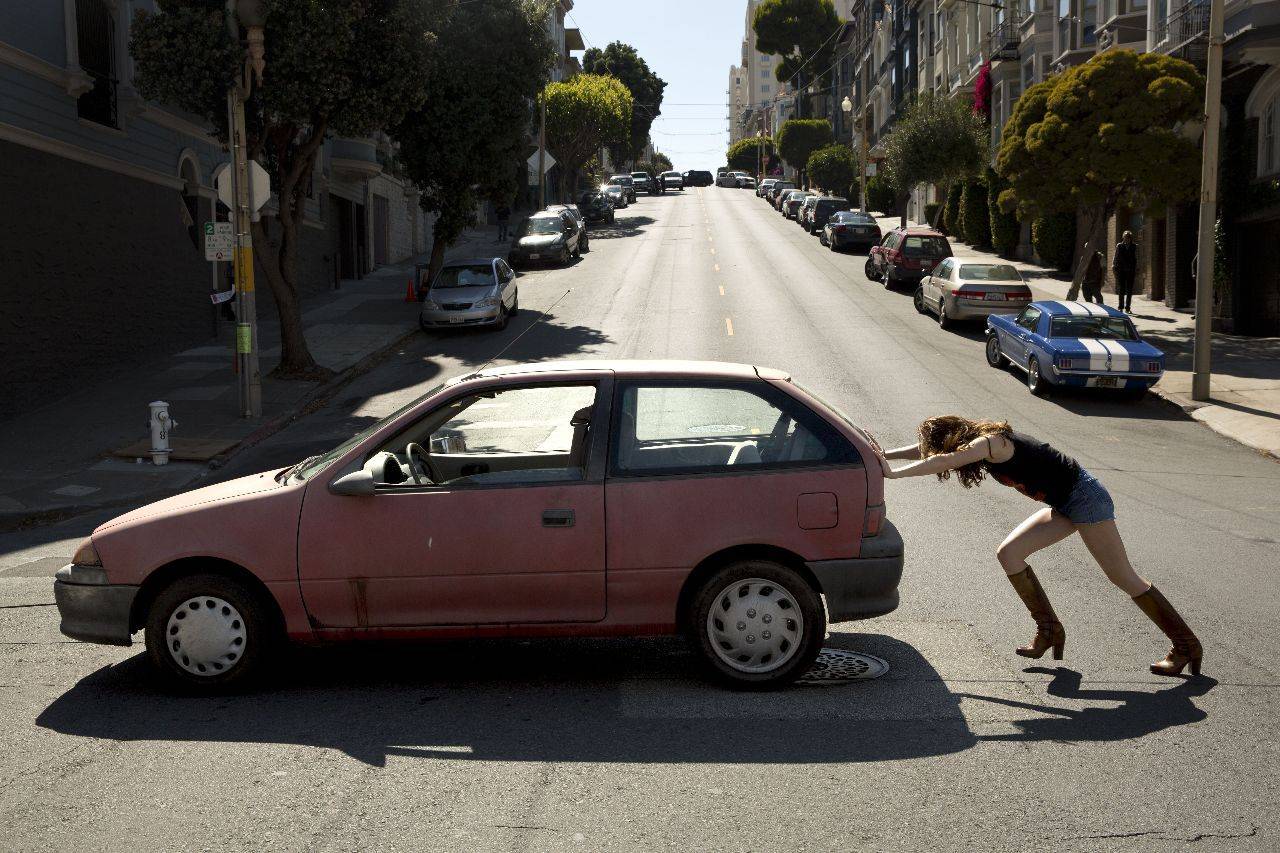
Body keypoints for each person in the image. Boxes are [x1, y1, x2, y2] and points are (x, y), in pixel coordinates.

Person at [878, 416, 1203, 677]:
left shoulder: (990, 442)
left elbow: (941, 461)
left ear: (953, 440)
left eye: (940, 449)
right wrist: (881, 457)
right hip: (1065, 503)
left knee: (1122, 576)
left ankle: (1185, 645)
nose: (938, 455)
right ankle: (1049, 630)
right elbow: (926, 452)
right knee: (1010, 553)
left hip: (1085, 499)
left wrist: (893, 475)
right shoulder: (978, 441)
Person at [1113, 230, 1138, 313]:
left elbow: (1136, 258)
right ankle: (1120, 307)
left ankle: (1128, 308)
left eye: (1127, 238)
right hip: (1121, 270)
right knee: (1121, 289)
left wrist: (1137, 269)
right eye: (1124, 238)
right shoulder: (1119, 246)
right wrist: (1114, 266)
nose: (1126, 239)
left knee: (1129, 290)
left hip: (1130, 271)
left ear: (1130, 238)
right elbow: (1116, 257)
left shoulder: (1134, 246)